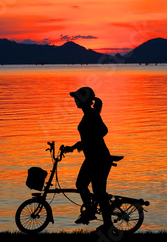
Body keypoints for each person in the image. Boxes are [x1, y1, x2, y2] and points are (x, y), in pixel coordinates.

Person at [64, 87, 113, 231]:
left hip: (98, 159)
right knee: (87, 187)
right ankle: (93, 212)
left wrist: (88, 142)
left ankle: (100, 218)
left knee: (95, 190)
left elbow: (103, 131)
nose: (75, 101)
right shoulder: (89, 114)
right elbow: (90, 137)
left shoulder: (91, 114)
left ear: (83, 100)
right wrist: (74, 147)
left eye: (76, 99)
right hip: (93, 158)